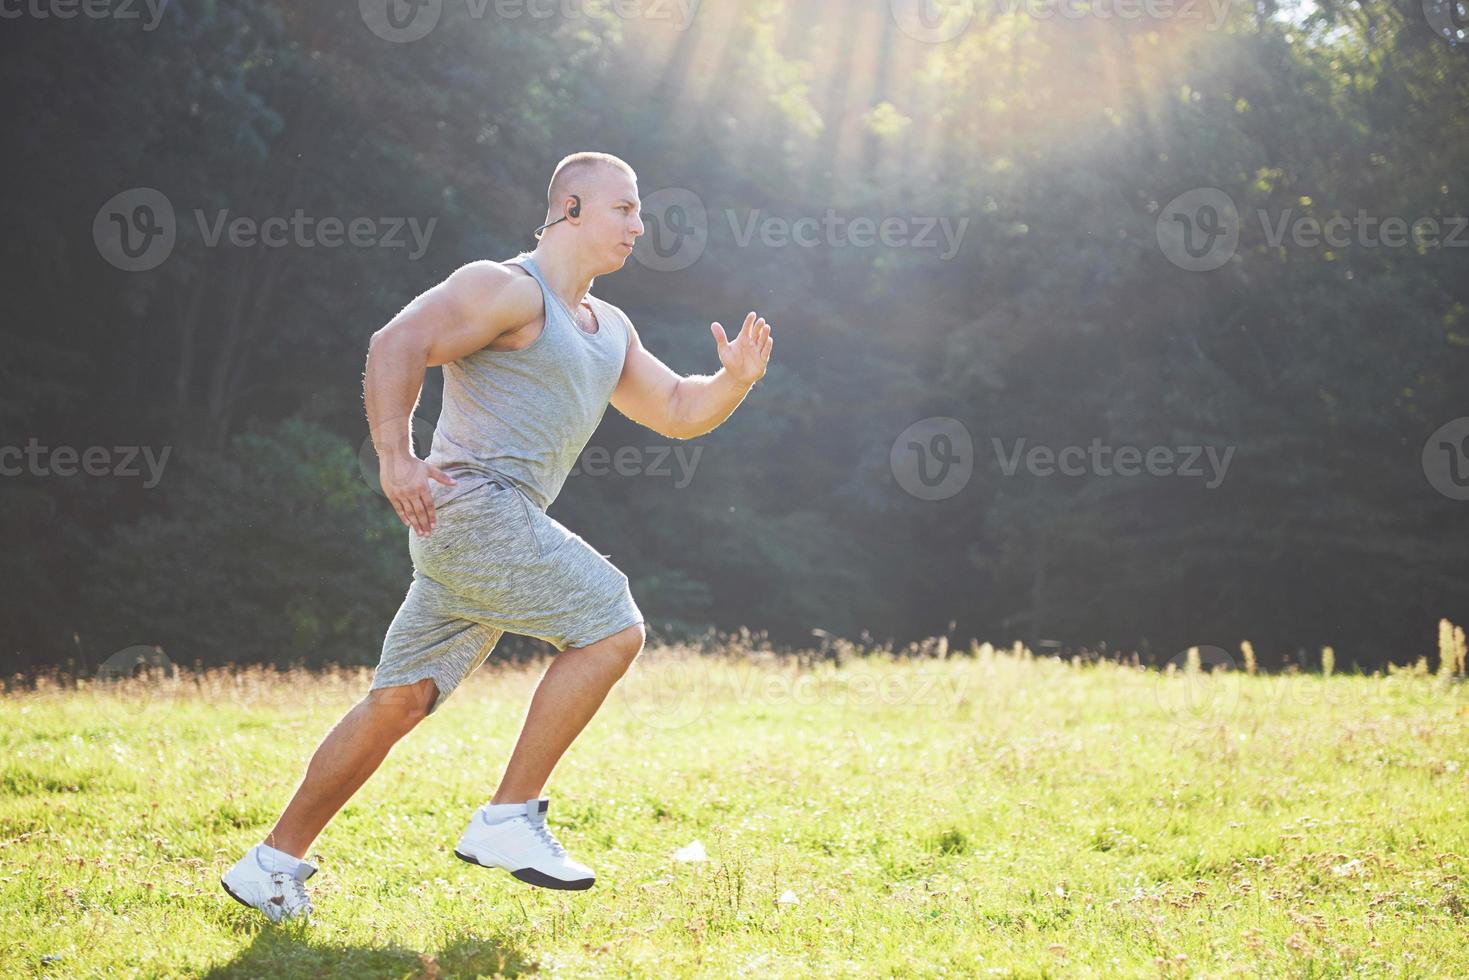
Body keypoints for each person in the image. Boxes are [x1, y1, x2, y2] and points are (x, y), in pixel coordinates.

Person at [219, 151, 772, 921]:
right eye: (624, 209)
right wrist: (394, 457)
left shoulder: (606, 327)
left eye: (639, 212)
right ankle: (509, 817)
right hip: (473, 507)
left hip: (481, 529)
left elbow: (678, 409)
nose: (638, 227)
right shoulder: (507, 288)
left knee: (400, 701)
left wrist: (734, 382)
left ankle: (269, 863)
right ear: (571, 208)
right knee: (613, 626)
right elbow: (395, 343)